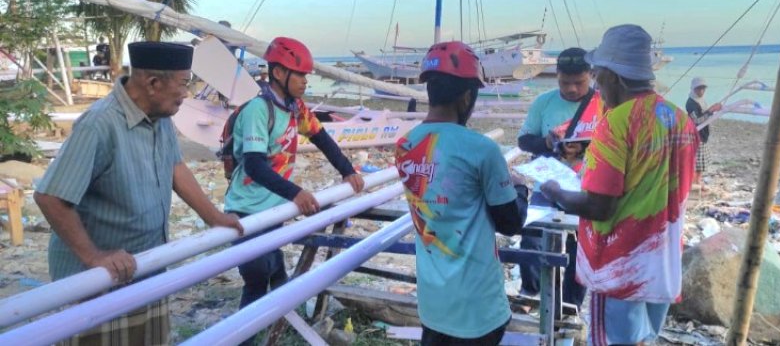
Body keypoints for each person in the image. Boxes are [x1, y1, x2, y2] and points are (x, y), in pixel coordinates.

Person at [34, 41, 243, 345]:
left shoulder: (161, 117)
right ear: (154, 83)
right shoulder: (100, 124)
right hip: (98, 282)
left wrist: (214, 217)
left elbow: (175, 168)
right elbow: (50, 196)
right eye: (184, 83)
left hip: (146, 267)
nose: (187, 93)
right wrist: (94, 257)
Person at [541, 25, 698, 345]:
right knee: (647, 340)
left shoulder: (617, 121)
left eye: (598, 75)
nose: (596, 84)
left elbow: (600, 205)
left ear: (613, 76)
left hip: (619, 265)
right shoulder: (680, 118)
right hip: (663, 261)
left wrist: (555, 191)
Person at [395, 41, 529, 346]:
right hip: (477, 309)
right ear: (468, 95)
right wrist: (520, 187)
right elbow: (510, 222)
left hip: (433, 302)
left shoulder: (404, 146)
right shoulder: (482, 149)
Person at [224, 37, 365, 319]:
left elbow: (322, 138)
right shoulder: (258, 110)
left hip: (275, 210)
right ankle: (243, 337)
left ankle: (285, 326)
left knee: (275, 273)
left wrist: (348, 171)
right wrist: (296, 193)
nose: (305, 81)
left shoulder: (295, 108)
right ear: (278, 73)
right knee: (256, 280)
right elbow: (253, 165)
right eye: (299, 74)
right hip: (246, 211)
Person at [516, 47, 600, 308]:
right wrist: (547, 142)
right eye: (565, 82)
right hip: (548, 185)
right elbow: (524, 141)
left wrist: (585, 147)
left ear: (591, 75)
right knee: (531, 238)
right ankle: (530, 292)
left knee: (582, 247)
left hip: (588, 187)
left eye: (579, 82)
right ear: (557, 76)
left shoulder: (604, 104)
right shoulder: (544, 103)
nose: (572, 89)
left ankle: (570, 304)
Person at [686, 77, 722, 183]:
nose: (701, 91)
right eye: (698, 89)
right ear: (693, 89)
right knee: (697, 164)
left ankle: (698, 182)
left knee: (701, 164)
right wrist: (711, 110)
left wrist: (712, 109)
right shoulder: (691, 103)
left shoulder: (700, 100)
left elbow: (703, 113)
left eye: (703, 89)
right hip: (697, 135)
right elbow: (697, 120)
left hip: (703, 134)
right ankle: (694, 183)